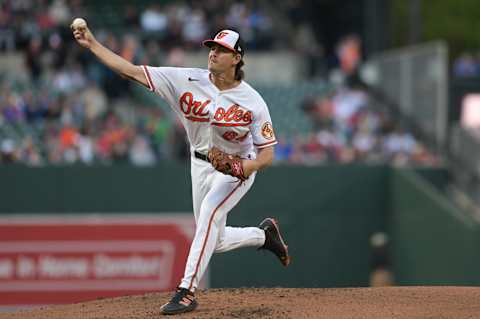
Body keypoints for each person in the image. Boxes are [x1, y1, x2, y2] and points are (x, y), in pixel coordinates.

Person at [72, 23, 290, 315]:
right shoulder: (185, 79)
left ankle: (186, 292)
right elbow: (131, 71)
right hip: (198, 164)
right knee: (214, 237)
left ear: (237, 58)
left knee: (211, 213)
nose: (213, 54)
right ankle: (264, 236)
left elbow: (267, 156)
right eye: (212, 48)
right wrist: (93, 44)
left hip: (235, 169)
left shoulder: (253, 101)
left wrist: (242, 167)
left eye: (221, 50)